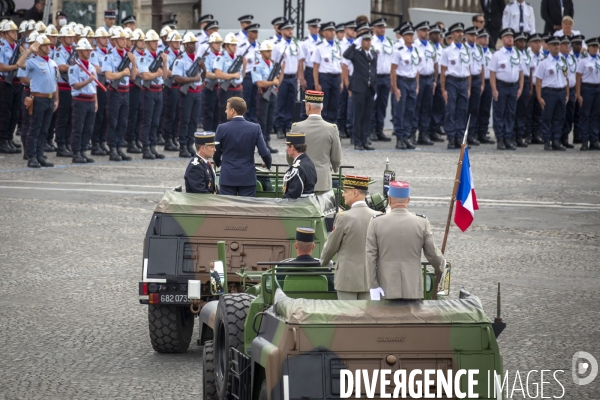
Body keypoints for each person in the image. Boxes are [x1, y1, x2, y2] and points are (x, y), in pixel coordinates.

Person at [365, 181, 445, 300]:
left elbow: (370, 256)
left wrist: (373, 285)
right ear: (408, 200)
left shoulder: (376, 222)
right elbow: (432, 253)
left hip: (385, 287)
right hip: (412, 288)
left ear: (390, 199)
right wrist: (442, 265)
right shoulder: (421, 222)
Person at [320, 175, 380, 300]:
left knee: (347, 317)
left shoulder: (343, 217)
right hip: (372, 279)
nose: (343, 195)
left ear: (355, 192)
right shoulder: (378, 216)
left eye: (346, 191)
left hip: (347, 280)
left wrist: (324, 262)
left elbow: (331, 246)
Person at [213, 97, 272, 197]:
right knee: (247, 210)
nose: (225, 111)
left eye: (227, 108)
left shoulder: (222, 128)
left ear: (232, 111)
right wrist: (268, 164)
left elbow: (216, 152)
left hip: (228, 176)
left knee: (226, 209)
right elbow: (264, 152)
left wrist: (220, 163)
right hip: (247, 178)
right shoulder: (255, 128)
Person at [288, 90, 342, 193]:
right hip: (323, 181)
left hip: (300, 179)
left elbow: (290, 155)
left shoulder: (296, 127)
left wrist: (292, 167)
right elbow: (336, 157)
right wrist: (335, 168)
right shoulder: (331, 128)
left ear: (308, 107)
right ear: (322, 107)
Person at [17, 33, 58, 168]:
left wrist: (56, 99)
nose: (48, 47)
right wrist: (29, 50)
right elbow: (19, 64)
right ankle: (31, 156)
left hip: (49, 99)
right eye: (45, 45)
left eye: (48, 45)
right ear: (39, 47)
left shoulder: (52, 62)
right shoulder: (32, 61)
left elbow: (55, 82)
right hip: (38, 99)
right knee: (34, 129)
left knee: (44, 130)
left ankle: (40, 155)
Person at [102, 26, 137, 161]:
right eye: (122, 39)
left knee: (123, 121)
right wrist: (122, 73)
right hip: (115, 92)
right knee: (113, 120)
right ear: (115, 40)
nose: (124, 41)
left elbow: (133, 76)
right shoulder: (109, 56)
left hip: (126, 91)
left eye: (125, 39)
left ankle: (119, 146)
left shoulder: (128, 55)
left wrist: (133, 63)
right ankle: (112, 148)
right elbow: (108, 75)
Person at [489, 28, 524, 150]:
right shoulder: (497, 55)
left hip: (513, 86)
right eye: (507, 37)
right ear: (502, 39)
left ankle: (508, 138)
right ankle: (500, 138)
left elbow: (521, 72)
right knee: (499, 113)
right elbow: (492, 73)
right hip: (501, 86)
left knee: (510, 113)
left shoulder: (517, 53)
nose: (510, 39)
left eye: (511, 36)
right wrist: (494, 89)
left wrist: (520, 88)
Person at [343, 25, 376, 150]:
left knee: (367, 115)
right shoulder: (356, 53)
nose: (368, 42)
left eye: (369, 40)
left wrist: (375, 87)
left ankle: (365, 140)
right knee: (358, 115)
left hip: (370, 88)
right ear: (361, 42)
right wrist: (354, 44)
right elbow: (346, 55)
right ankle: (357, 141)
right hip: (358, 88)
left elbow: (373, 71)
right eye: (365, 40)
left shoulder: (373, 54)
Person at [173, 32, 206, 157]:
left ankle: (190, 144)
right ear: (185, 45)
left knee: (194, 120)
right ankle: (182, 145)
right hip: (187, 93)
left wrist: (204, 68)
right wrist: (192, 79)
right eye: (191, 43)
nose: (194, 45)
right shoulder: (181, 59)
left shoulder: (197, 58)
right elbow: (177, 78)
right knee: (185, 120)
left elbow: (203, 77)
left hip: (197, 92)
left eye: (195, 43)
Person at [440, 23, 471, 149]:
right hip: (452, 81)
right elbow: (443, 72)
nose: (460, 34)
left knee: (462, 110)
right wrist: (443, 89)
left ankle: (460, 137)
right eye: (457, 32)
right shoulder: (447, 51)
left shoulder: (466, 50)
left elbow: (469, 71)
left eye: (461, 32)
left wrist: (469, 87)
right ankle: (451, 137)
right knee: (451, 110)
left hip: (463, 81)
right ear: (452, 34)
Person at [138, 29, 167, 160]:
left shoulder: (159, 57)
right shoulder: (144, 57)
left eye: (157, 41)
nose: (156, 43)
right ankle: (146, 147)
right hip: (148, 91)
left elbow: (165, 76)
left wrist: (165, 62)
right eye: (154, 41)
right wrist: (156, 73)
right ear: (148, 43)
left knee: (156, 121)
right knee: (147, 120)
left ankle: (153, 146)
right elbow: (144, 75)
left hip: (159, 90)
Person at [535, 35, 568, 151]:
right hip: (549, 92)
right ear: (549, 47)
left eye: (558, 44)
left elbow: (566, 78)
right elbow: (538, 82)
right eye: (554, 45)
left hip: (561, 91)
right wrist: (539, 97)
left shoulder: (563, 61)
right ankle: (547, 141)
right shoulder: (544, 63)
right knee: (547, 118)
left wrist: (567, 94)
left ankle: (556, 141)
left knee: (559, 118)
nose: (556, 47)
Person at [68, 38, 97, 164]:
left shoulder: (91, 67)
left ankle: (84, 150)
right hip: (80, 100)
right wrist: (88, 80)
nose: (89, 52)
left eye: (89, 50)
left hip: (91, 99)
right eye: (86, 50)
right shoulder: (74, 67)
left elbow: (94, 87)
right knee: (78, 127)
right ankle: (76, 152)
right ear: (79, 51)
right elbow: (75, 85)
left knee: (88, 128)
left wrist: (96, 102)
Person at [272, 19, 303, 137]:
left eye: (291, 29)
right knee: (281, 102)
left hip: (293, 77)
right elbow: (273, 62)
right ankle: (279, 127)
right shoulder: (278, 46)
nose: (290, 31)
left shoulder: (296, 44)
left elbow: (300, 62)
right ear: (282, 31)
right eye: (288, 29)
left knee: (291, 103)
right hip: (282, 77)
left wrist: (300, 77)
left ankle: (287, 125)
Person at [391, 23, 419, 150]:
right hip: (402, 81)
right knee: (400, 111)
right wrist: (395, 87)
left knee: (410, 110)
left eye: (412, 34)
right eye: (408, 35)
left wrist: (417, 85)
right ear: (403, 37)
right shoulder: (398, 51)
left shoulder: (415, 51)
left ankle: (407, 136)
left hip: (412, 81)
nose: (411, 37)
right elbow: (393, 70)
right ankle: (399, 138)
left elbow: (416, 69)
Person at [252, 40, 281, 153]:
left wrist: (276, 82)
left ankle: (267, 142)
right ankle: (260, 143)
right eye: (267, 51)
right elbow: (259, 83)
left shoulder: (272, 64)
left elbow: (277, 79)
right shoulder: (258, 65)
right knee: (262, 120)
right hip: (262, 95)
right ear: (262, 52)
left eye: (270, 51)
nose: (270, 53)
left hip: (272, 94)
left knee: (270, 119)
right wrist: (273, 83)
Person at [0, 20, 24, 154]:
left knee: (15, 112)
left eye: (16, 32)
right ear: (4, 33)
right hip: (5, 82)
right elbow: (1, 66)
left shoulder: (17, 46)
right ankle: (2, 139)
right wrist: (15, 67)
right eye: (12, 32)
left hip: (16, 82)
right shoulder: (1, 46)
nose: (15, 34)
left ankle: (9, 138)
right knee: (5, 112)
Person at [53, 25, 77, 157]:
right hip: (63, 87)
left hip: (72, 87)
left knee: (70, 118)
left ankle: (67, 142)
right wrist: (75, 68)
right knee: (62, 117)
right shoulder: (59, 51)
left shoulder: (74, 50)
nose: (71, 38)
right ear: (62, 37)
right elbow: (61, 66)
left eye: (72, 36)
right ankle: (61, 144)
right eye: (69, 36)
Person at [412, 21, 437, 146]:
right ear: (418, 32)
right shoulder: (414, 45)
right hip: (419, 79)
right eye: (424, 30)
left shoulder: (431, 46)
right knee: (416, 107)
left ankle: (423, 134)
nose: (426, 33)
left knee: (427, 108)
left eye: (427, 30)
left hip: (429, 78)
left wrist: (434, 80)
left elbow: (435, 63)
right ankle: (412, 134)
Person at [368, 18, 393, 142]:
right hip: (375, 77)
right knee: (373, 104)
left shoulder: (389, 42)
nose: (382, 29)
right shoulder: (371, 42)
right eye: (379, 27)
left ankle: (380, 129)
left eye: (383, 27)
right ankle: (371, 130)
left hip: (386, 77)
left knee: (383, 105)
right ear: (374, 28)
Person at [575, 36, 600, 151]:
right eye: (593, 47)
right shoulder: (584, 60)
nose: (595, 49)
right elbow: (578, 78)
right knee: (585, 114)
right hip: (587, 88)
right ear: (588, 48)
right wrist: (578, 94)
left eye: (596, 47)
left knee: (596, 115)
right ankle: (585, 140)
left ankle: (594, 140)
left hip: (598, 88)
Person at [214, 33, 244, 125]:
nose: (235, 47)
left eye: (235, 45)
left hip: (237, 89)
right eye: (232, 45)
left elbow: (240, 74)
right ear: (226, 45)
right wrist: (232, 76)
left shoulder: (237, 58)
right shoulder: (221, 57)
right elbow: (218, 74)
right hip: (227, 89)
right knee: (225, 115)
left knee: (238, 114)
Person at [161, 30, 183, 151]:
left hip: (180, 86)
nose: (178, 43)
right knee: (170, 114)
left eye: (179, 40)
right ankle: (168, 138)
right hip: (171, 87)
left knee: (178, 114)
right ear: (169, 42)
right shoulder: (167, 54)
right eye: (175, 41)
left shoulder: (181, 53)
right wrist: (177, 73)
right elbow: (167, 71)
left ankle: (175, 136)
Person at [464, 25, 486, 146]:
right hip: (466, 79)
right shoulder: (464, 48)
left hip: (477, 80)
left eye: (475, 35)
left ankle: (472, 134)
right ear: (466, 36)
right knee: (464, 108)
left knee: (474, 108)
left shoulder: (479, 49)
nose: (473, 37)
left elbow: (482, 66)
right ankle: (463, 134)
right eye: (471, 35)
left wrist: (482, 83)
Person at [125, 29, 145, 155]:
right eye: (140, 41)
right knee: (132, 115)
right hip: (132, 87)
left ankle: (137, 138)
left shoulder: (143, 54)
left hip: (140, 87)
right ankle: (130, 140)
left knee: (139, 115)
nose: (143, 43)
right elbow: (137, 72)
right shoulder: (131, 54)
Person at [513, 31, 534, 147]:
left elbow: (530, 71)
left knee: (522, 110)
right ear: (515, 42)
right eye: (520, 41)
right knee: (513, 110)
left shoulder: (527, 54)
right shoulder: (514, 53)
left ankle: (519, 136)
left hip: (525, 81)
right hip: (515, 81)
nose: (522, 43)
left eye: (524, 41)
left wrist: (530, 86)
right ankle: (512, 135)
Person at [476, 29, 496, 145]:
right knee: (475, 108)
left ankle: (483, 132)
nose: (485, 39)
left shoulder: (492, 53)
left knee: (485, 109)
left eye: (486, 37)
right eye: (482, 37)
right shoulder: (476, 52)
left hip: (489, 81)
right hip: (477, 81)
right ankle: (474, 132)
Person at [299, 18, 322, 118]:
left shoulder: (322, 41)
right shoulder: (305, 42)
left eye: (317, 27)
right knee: (308, 97)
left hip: (321, 72)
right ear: (309, 27)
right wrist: (301, 78)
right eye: (313, 27)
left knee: (319, 98)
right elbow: (301, 61)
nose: (315, 29)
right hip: (309, 70)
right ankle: (305, 119)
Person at [282, 133, 317, 199]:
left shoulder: (298, 168)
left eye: (287, 146)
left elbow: (293, 194)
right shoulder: (308, 162)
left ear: (292, 147)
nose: (286, 149)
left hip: (298, 205)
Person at [337, 20, 356, 138]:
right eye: (351, 29)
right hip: (343, 75)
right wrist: (342, 80)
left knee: (352, 104)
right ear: (345, 30)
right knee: (342, 103)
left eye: (355, 29)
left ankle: (350, 127)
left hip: (354, 75)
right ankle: (341, 127)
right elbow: (340, 63)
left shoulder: (357, 44)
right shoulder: (340, 45)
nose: (354, 31)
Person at [560, 35, 579, 149]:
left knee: (569, 116)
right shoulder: (560, 58)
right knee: (560, 115)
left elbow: (575, 76)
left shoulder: (572, 58)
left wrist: (576, 91)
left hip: (572, 90)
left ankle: (565, 138)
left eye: (568, 44)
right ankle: (558, 138)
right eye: (565, 44)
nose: (567, 46)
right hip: (562, 90)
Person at [201, 31, 222, 133]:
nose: (219, 45)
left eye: (220, 43)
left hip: (220, 87)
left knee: (218, 113)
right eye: (217, 43)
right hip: (211, 87)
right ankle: (208, 134)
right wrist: (219, 75)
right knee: (209, 113)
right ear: (211, 44)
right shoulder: (207, 56)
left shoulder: (222, 56)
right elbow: (207, 73)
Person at [428, 23, 446, 143]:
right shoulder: (428, 47)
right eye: (433, 34)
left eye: (438, 34)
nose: (436, 36)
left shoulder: (443, 49)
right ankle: (424, 131)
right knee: (427, 106)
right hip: (429, 77)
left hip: (440, 77)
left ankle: (434, 129)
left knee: (439, 106)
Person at [240, 23, 260, 123]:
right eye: (253, 32)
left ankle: (253, 119)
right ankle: (246, 119)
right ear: (248, 33)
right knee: (246, 98)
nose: (256, 34)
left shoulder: (259, 46)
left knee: (255, 99)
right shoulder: (243, 46)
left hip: (256, 75)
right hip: (247, 75)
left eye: (256, 32)